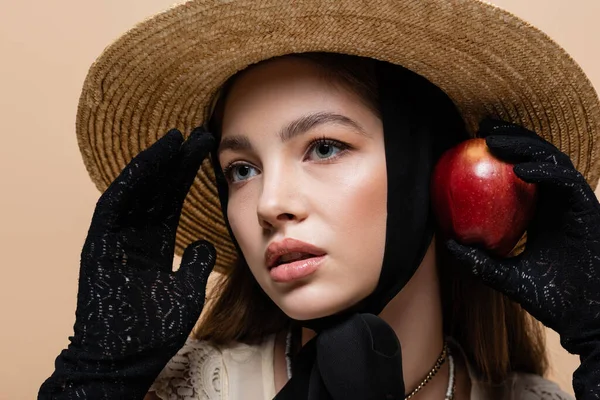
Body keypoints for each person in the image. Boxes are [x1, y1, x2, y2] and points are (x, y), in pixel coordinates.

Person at [38, 1, 600, 400]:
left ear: (429, 171)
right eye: (242, 169)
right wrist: (99, 375)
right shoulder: (184, 392)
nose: (269, 203)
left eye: (324, 147)